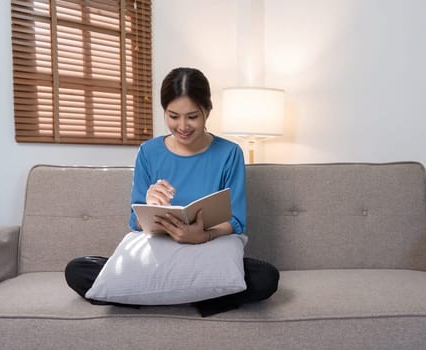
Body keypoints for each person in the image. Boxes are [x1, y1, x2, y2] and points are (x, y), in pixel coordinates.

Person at [65, 67, 279, 316]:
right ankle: (202, 296)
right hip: (159, 253)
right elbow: (135, 223)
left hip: (207, 252)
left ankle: (152, 297)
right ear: (164, 111)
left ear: (207, 111)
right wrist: (148, 201)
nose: (183, 126)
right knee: (77, 270)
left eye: (192, 116)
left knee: (266, 277)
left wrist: (203, 237)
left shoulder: (229, 153)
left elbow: (237, 222)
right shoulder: (149, 152)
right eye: (173, 116)